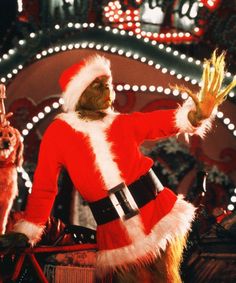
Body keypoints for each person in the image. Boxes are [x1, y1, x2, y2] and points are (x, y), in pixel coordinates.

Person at [0, 51, 235, 282]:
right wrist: (27, 231)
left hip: (158, 213)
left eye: (108, 84)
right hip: (115, 233)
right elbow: (44, 188)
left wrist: (195, 115)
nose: (108, 90)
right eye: (98, 85)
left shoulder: (122, 123)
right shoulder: (59, 133)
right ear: (79, 93)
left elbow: (158, 122)